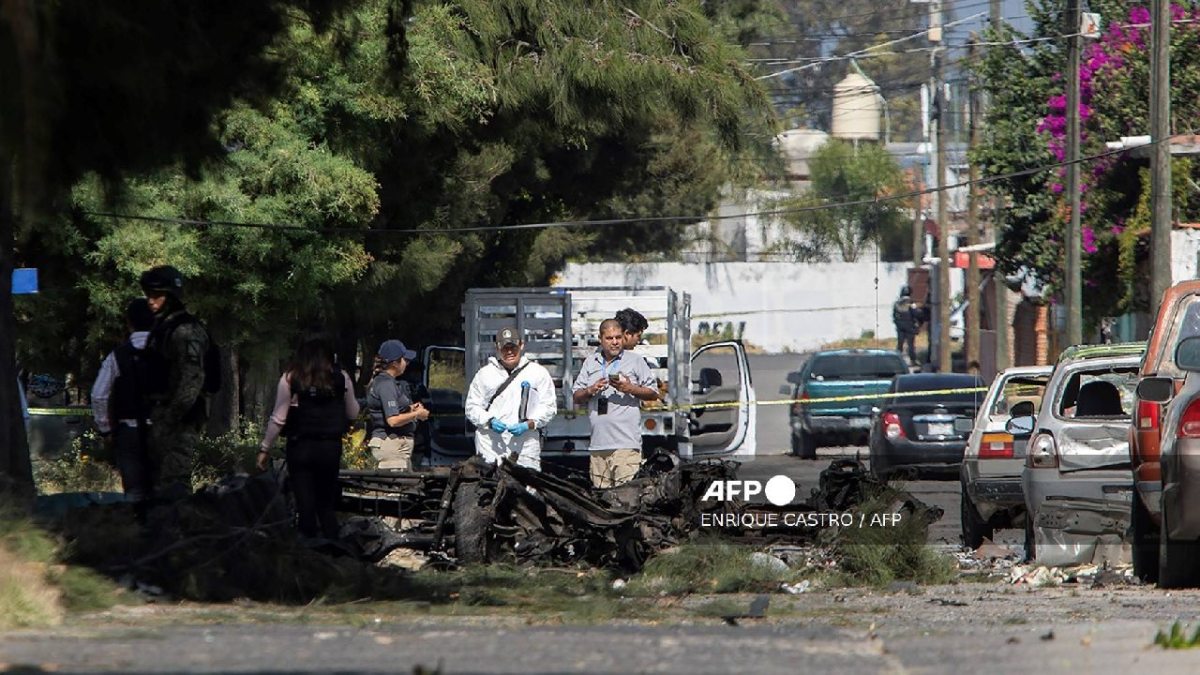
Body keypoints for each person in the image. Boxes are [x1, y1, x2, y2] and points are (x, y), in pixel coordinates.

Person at [257, 334, 359, 540]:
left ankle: (307, 546)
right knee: (326, 503)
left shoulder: (291, 377)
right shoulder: (341, 377)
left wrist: (265, 448)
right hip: (330, 447)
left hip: (301, 446)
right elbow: (353, 413)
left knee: (305, 504)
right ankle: (333, 548)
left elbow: (278, 418)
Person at [140, 265, 212, 501]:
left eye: (157, 296)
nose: (151, 301)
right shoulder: (162, 329)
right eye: (148, 295)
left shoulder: (186, 331)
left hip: (180, 422)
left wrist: (171, 418)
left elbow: (192, 380)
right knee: (155, 487)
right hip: (160, 415)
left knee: (174, 486)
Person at [572, 318, 659, 488]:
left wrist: (629, 388)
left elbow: (653, 393)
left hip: (625, 445)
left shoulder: (635, 361)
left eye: (618, 338)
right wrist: (590, 390)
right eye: (609, 338)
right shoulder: (591, 362)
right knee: (602, 502)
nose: (614, 342)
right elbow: (576, 396)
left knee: (626, 501)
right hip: (598, 447)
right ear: (600, 339)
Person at [90, 298, 157, 504]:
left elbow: (98, 394)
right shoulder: (167, 353)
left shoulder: (117, 356)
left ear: (129, 323)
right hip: (162, 430)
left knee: (134, 491)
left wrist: (105, 429)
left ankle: (136, 531)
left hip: (128, 431)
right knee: (164, 490)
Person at [464, 326, 556, 470]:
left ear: (521, 345)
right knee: (490, 486)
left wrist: (530, 424)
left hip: (526, 444)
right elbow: (471, 407)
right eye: (504, 348)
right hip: (491, 444)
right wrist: (489, 421)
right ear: (497, 348)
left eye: (513, 347)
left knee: (527, 487)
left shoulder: (537, 373)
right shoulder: (484, 374)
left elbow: (549, 406)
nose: (509, 352)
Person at [366, 340, 429, 471]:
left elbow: (390, 410)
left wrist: (409, 409)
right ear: (395, 363)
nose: (407, 363)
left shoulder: (386, 382)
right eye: (405, 360)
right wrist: (417, 414)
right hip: (391, 446)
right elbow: (393, 420)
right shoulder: (386, 385)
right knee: (395, 489)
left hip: (396, 447)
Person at [892, 286, 921, 366]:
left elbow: (894, 316)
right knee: (911, 344)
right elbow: (916, 314)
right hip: (910, 326)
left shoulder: (897, 303)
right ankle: (913, 360)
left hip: (900, 327)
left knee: (900, 344)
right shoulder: (911, 303)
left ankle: (897, 360)